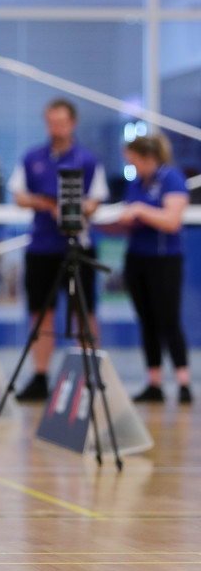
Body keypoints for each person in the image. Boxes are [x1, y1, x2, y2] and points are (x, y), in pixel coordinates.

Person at [8, 98, 109, 400]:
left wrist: (72, 209)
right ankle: (40, 378)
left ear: (73, 123)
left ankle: (90, 376)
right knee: (40, 314)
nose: (56, 128)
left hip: (78, 247)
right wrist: (46, 204)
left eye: (62, 122)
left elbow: (97, 200)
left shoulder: (88, 160)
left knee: (85, 312)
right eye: (51, 122)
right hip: (41, 248)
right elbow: (19, 195)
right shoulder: (33, 157)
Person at [117, 133, 192, 403]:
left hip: (165, 260)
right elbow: (131, 212)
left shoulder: (171, 178)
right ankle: (154, 383)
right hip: (138, 257)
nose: (132, 166)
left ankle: (183, 383)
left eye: (134, 161)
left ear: (148, 158)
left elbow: (172, 221)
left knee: (168, 320)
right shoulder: (136, 183)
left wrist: (140, 211)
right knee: (147, 321)